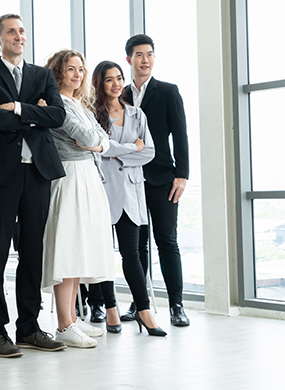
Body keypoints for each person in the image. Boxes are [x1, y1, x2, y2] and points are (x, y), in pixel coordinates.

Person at [0, 14, 67, 358]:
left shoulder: (41, 75)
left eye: (22, 31)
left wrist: (18, 108)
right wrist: (33, 113)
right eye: (11, 31)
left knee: (32, 253)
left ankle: (28, 327)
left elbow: (58, 116)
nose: (18, 36)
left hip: (36, 173)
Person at [41, 49, 115, 348]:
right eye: (71, 69)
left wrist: (95, 143)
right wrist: (94, 143)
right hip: (69, 177)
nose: (77, 74)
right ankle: (63, 323)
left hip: (87, 177)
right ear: (58, 71)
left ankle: (70, 318)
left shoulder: (79, 104)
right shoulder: (56, 103)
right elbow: (85, 138)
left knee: (80, 246)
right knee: (68, 249)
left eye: (81, 69)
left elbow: (102, 138)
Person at [121, 34, 190, 327]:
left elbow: (181, 135)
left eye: (149, 54)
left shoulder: (168, 91)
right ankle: (140, 303)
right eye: (139, 55)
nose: (145, 60)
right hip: (130, 180)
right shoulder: (120, 94)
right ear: (129, 59)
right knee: (138, 247)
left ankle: (177, 305)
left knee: (167, 241)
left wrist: (182, 175)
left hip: (163, 178)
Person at [93, 60, 166, 337]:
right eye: (109, 79)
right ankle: (110, 307)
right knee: (102, 254)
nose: (115, 84)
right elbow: (97, 149)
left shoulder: (137, 114)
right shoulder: (93, 114)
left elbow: (148, 152)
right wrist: (127, 148)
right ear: (100, 84)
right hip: (101, 188)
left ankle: (144, 311)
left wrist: (114, 150)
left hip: (131, 190)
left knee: (132, 255)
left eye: (118, 78)